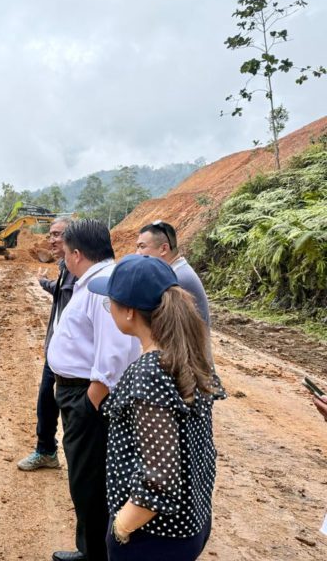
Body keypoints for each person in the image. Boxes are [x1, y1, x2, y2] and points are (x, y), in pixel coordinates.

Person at [87, 254, 225, 560]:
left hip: (153, 537)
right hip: (190, 524)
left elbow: (159, 477)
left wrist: (122, 527)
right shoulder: (187, 356)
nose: (108, 309)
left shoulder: (150, 372)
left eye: (109, 301)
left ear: (129, 312)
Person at [47, 219, 141, 561]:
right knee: (85, 477)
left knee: (90, 481)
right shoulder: (93, 281)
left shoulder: (102, 287)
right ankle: (89, 548)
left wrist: (90, 403)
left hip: (89, 395)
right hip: (79, 392)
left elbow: (113, 355)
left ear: (76, 253)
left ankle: (97, 554)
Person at [17, 216, 75, 471]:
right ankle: (46, 450)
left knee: (67, 408)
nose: (51, 240)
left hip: (69, 355)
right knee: (46, 401)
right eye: (51, 234)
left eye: (57, 235)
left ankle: (72, 461)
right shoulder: (66, 267)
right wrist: (43, 283)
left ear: (73, 238)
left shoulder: (78, 271)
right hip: (56, 351)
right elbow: (60, 290)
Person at [135, 220, 210, 326]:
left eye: (142, 247)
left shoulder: (176, 279)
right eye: (137, 247)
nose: (137, 253)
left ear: (164, 249)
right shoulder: (175, 270)